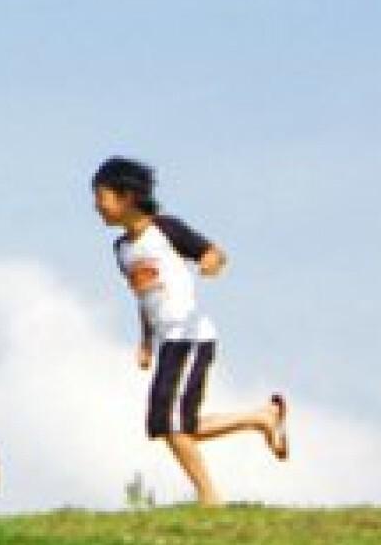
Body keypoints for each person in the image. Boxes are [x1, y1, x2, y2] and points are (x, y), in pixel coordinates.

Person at [90, 154, 288, 505]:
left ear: (127, 197)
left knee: (169, 422)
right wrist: (146, 342)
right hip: (168, 342)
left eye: (101, 197)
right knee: (176, 424)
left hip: (191, 336)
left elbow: (214, 253)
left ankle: (209, 497)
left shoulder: (166, 229)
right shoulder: (121, 250)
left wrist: (210, 264)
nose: (96, 206)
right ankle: (261, 418)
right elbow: (144, 296)